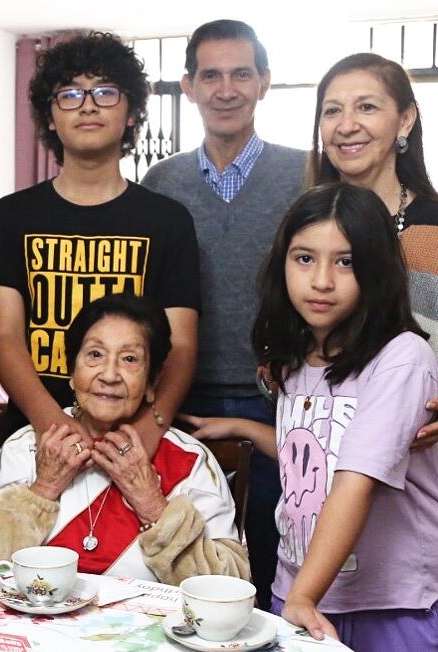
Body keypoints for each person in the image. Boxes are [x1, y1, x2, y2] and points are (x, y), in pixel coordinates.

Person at [186, 183, 438, 652]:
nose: (321, 280)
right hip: (303, 590)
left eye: (346, 262)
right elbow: (312, 450)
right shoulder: (293, 359)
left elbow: (355, 479)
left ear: (376, 270)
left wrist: (300, 600)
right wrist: (244, 426)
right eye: (304, 258)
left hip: (393, 602)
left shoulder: (402, 358)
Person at [310, 52, 438, 591]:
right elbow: (283, 359)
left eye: (366, 107)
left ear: (405, 120)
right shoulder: (306, 229)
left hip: (427, 504)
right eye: (332, 110)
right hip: (315, 497)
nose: (346, 124)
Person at [142, 19, 307, 613]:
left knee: (275, 559)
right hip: (182, 398)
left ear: (265, 82)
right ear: (188, 86)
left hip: (281, 400)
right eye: (210, 75)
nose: (226, 88)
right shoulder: (162, 183)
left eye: (241, 73)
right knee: (189, 564)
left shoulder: (307, 174)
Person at [0, 32, 201, 458]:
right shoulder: (10, 216)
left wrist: (148, 428)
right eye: (69, 94)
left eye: (105, 91)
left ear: (132, 112)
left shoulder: (168, 220)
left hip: (135, 441)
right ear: (49, 117)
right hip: (34, 438)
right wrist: (53, 423)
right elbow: (4, 336)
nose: (87, 104)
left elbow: (183, 343)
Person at [0, 293, 248, 585]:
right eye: (95, 355)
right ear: (72, 372)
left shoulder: (188, 460)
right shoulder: (27, 449)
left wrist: (153, 504)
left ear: (152, 382)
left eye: (129, 359)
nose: (110, 374)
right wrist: (42, 490)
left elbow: (230, 584)